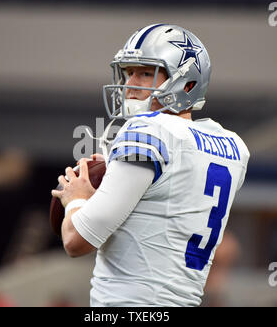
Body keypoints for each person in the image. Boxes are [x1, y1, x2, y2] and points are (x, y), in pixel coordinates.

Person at [51, 24, 250, 307]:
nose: (131, 83)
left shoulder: (147, 131)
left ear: (188, 84)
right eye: (129, 72)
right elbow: (164, 207)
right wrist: (114, 177)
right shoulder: (232, 146)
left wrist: (76, 200)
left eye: (146, 73)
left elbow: (76, 240)